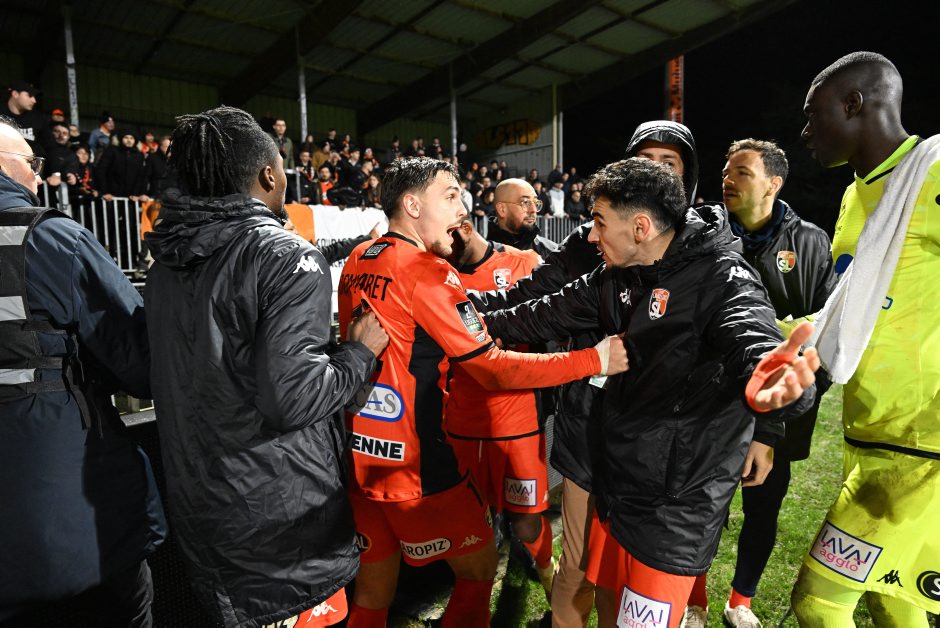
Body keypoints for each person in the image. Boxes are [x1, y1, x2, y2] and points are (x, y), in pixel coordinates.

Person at [483, 158, 819, 628]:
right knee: (607, 609)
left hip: (675, 507)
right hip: (618, 487)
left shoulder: (723, 278)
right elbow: (533, 315)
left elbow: (754, 341)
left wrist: (779, 390)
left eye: (600, 223)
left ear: (640, 227)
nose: (591, 236)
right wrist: (449, 314)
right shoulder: (616, 275)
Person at [337, 156, 627, 628]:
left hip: (362, 461)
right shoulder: (429, 271)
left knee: (372, 595)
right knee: (478, 571)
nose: (462, 208)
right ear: (412, 205)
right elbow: (491, 368)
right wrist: (593, 359)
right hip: (421, 469)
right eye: (450, 196)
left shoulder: (359, 259)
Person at [144, 106, 389, 628]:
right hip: (279, 526)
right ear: (269, 175)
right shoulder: (282, 255)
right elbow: (292, 400)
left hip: (203, 512)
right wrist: (359, 353)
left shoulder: (167, 262)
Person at [469, 120, 700, 627]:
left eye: (669, 164)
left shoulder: (706, 257)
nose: (655, 173)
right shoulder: (592, 250)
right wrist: (455, 307)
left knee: (632, 576)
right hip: (590, 430)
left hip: (661, 449)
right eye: (644, 161)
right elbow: (534, 299)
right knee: (577, 564)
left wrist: (766, 422)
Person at [790, 51, 940, 627]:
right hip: (871, 434)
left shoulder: (931, 173)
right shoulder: (856, 196)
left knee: (817, 601)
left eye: (813, 115)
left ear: (854, 104)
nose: (805, 133)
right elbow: (847, 311)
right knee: (891, 601)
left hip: (921, 444)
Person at [0, 117, 166, 626]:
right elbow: (141, 365)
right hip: (73, 528)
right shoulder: (50, 239)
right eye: (31, 162)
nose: (37, 175)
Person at [684, 139, 837, 628]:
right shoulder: (703, 231)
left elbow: (822, 335)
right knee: (699, 507)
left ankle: (741, 601)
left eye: (742, 173)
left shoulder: (810, 242)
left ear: (774, 183)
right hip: (710, 401)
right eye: (726, 172)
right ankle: (693, 601)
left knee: (763, 505)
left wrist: (770, 429)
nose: (727, 180)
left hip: (779, 410)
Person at [443, 218, 557, 598]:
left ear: (462, 228)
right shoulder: (438, 273)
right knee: (472, 522)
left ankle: (549, 575)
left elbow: (552, 319)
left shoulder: (525, 262)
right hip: (463, 420)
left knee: (526, 522)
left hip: (518, 419)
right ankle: (473, 595)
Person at [488, 177, 557, 258]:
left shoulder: (552, 253)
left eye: (535, 203)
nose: (534, 210)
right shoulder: (480, 253)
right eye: (525, 202)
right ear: (502, 209)